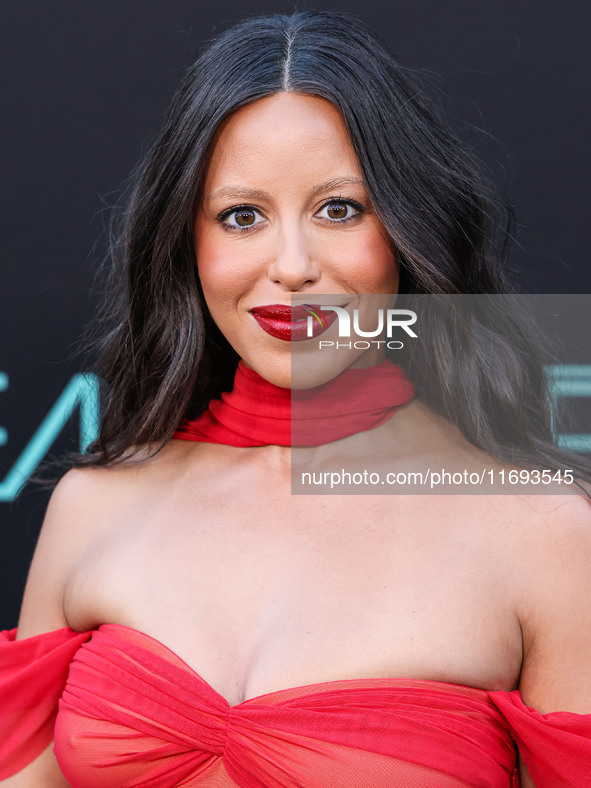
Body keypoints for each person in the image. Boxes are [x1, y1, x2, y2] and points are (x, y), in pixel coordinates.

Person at [2, 9, 591, 787]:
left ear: (408, 227)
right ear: (188, 242)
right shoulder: (93, 505)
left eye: (338, 209)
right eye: (240, 215)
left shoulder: (544, 536)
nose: (289, 265)